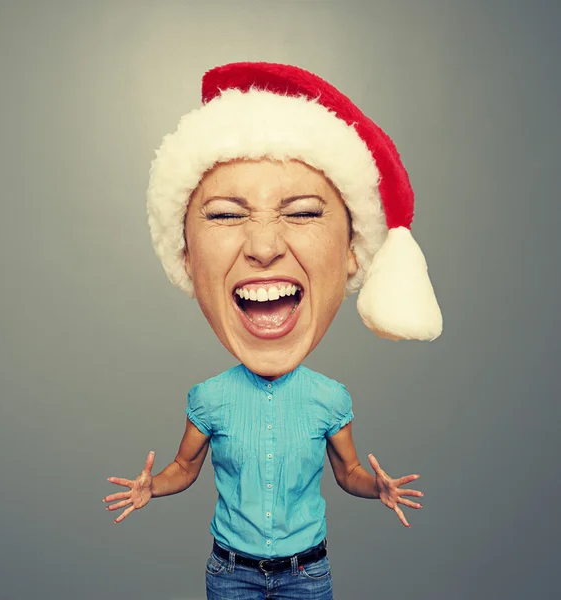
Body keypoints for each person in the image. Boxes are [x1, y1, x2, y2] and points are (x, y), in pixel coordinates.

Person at [102, 62, 443, 600]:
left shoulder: (331, 398)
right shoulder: (208, 399)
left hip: (306, 574)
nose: (263, 248)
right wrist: (153, 487)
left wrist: (375, 487)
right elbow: (184, 467)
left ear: (354, 252)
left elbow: (347, 470)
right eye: (224, 216)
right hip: (230, 572)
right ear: (186, 257)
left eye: (304, 212)